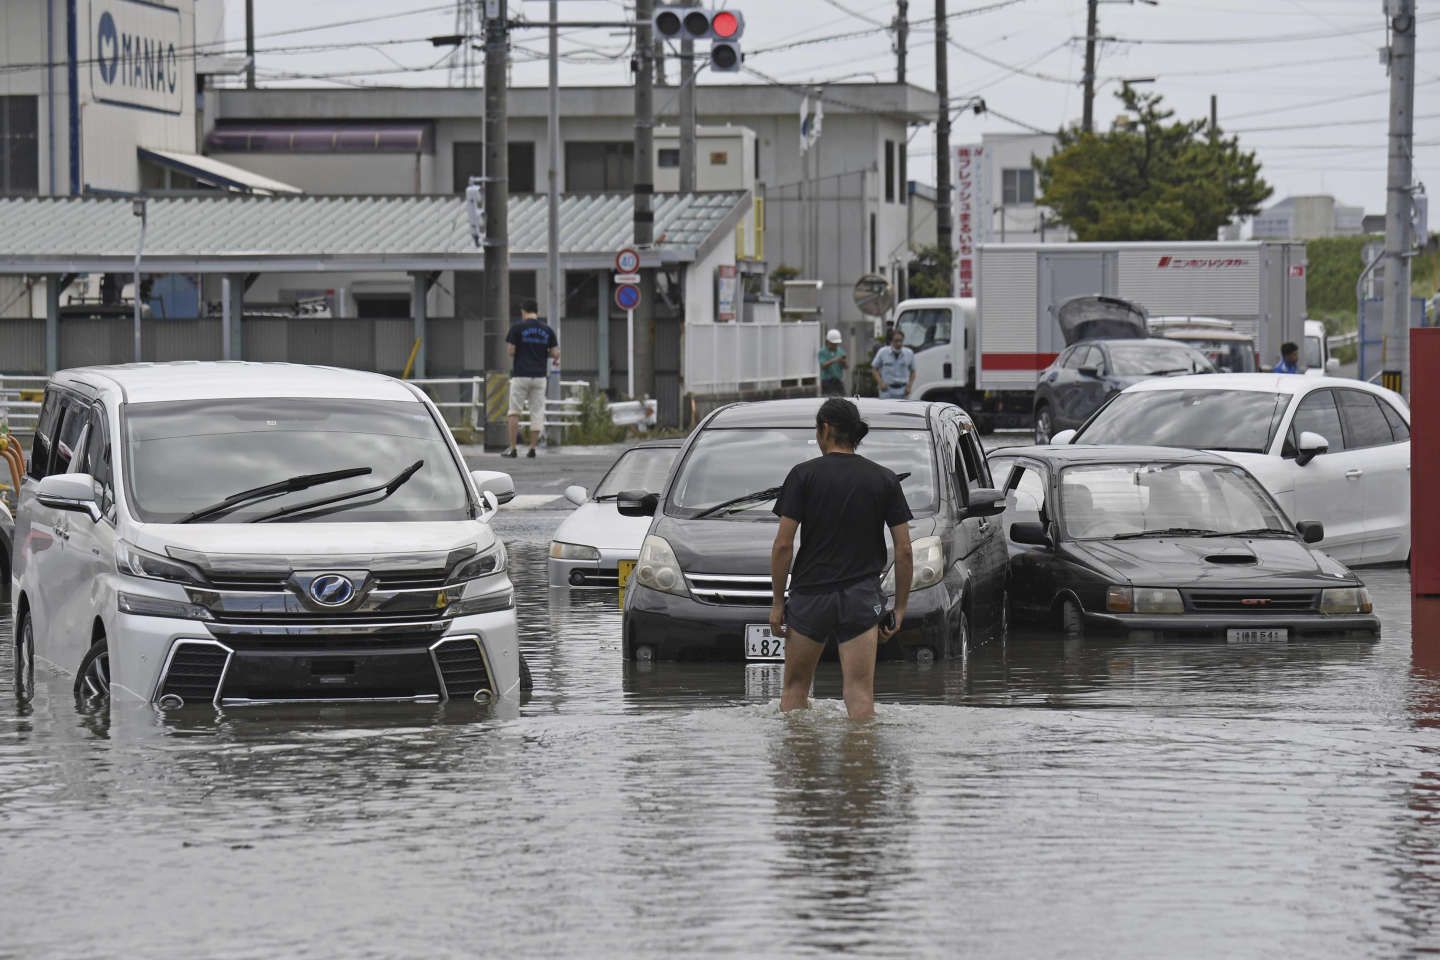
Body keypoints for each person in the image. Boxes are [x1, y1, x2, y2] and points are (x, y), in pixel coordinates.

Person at [769, 398, 914, 721]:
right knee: (859, 694)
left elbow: (783, 545)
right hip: (861, 598)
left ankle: (799, 768)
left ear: (825, 429)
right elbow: (904, 550)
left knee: (795, 689)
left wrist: (778, 602)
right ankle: (859, 766)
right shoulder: (884, 479)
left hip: (811, 597)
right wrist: (900, 608)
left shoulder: (803, 476)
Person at [504, 298, 560, 459]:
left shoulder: (517, 328)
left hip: (521, 375)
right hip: (540, 376)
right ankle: (533, 448)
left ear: (523, 311)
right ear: (537, 312)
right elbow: (555, 353)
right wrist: (542, 352)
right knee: (537, 411)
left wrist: (523, 349)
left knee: (514, 412)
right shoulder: (547, 330)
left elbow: (510, 351)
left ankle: (513, 448)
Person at [871, 329, 916, 399]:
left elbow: (913, 371)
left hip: (903, 390)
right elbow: (874, 369)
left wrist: (909, 386)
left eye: (901, 341)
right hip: (887, 390)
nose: (899, 343)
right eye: (896, 341)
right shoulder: (883, 352)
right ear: (891, 341)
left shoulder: (909, 353)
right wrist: (880, 383)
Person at [817, 329, 848, 396]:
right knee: (828, 399)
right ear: (828, 342)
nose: (835, 345)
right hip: (827, 381)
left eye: (836, 344)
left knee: (842, 398)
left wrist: (843, 362)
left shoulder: (840, 351)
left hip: (838, 380)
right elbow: (823, 365)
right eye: (833, 343)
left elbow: (846, 367)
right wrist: (835, 360)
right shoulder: (822, 352)